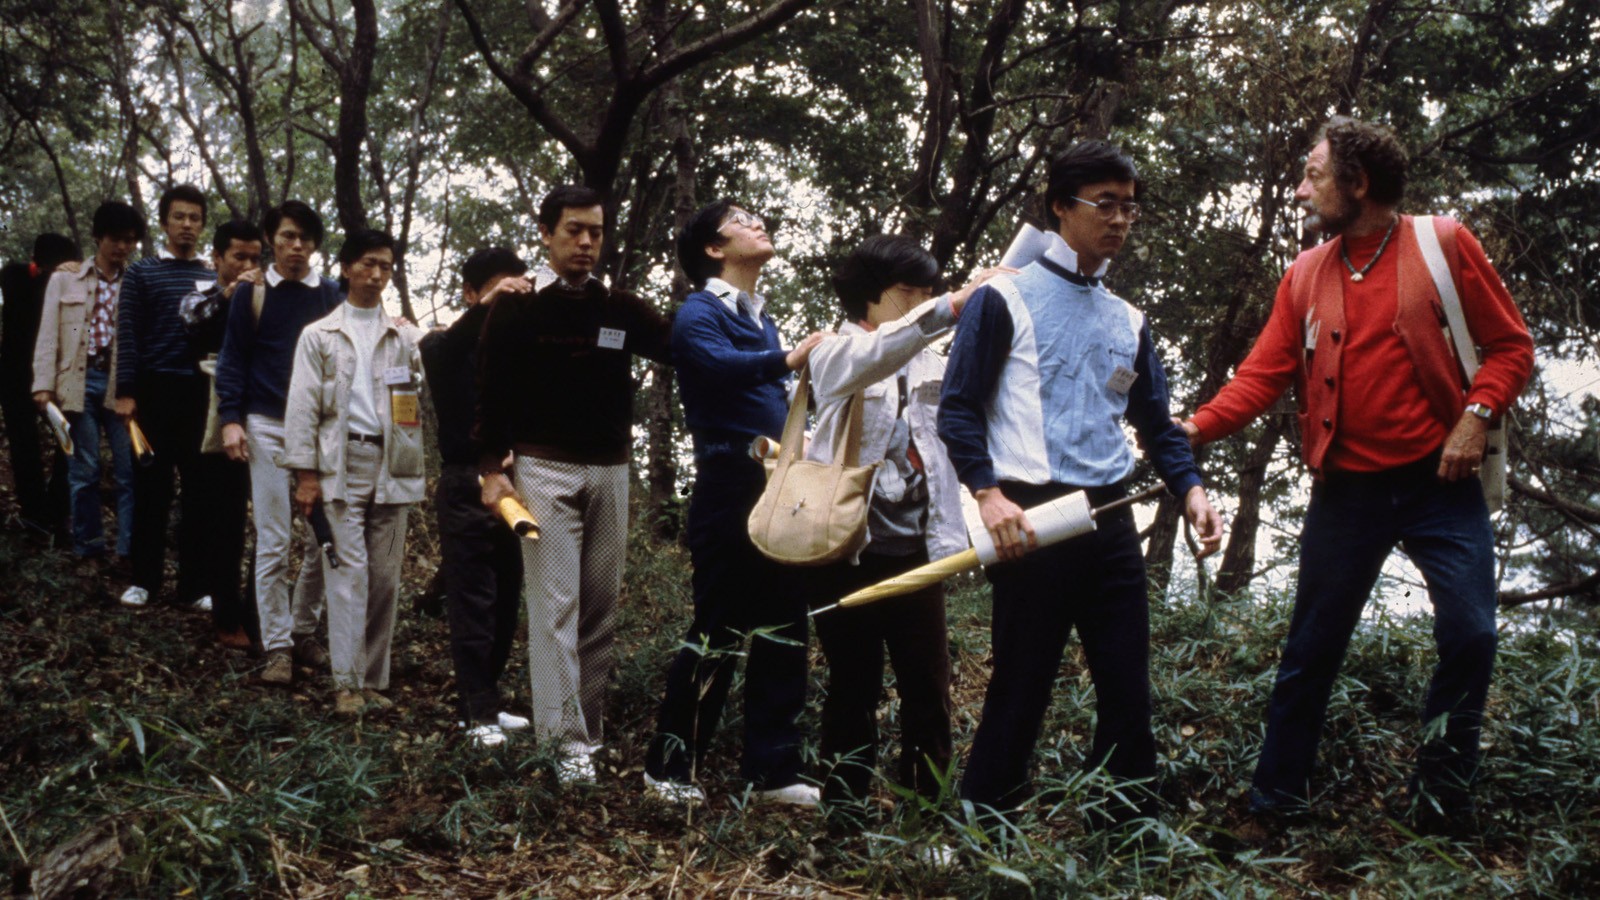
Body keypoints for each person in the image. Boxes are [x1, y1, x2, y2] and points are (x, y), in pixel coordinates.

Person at [1179, 117, 1534, 833]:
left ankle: (1440, 806)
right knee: (1311, 649)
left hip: (1440, 484)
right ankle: (1273, 806)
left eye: (1314, 174)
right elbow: (1262, 376)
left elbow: (1511, 347)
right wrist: (1187, 428)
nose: (1303, 188)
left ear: (1358, 183)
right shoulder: (1307, 274)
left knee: (1473, 637)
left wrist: (1476, 415)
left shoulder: (1443, 244)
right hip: (1348, 490)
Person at [938, 141, 1224, 828]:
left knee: (1127, 680)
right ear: (1061, 208)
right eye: (1105, 204)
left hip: (1111, 516)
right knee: (1022, 678)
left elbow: (1157, 423)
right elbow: (957, 406)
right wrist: (987, 491)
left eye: (1130, 206)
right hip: (1031, 511)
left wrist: (1190, 491)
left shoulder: (1128, 320)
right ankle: (984, 826)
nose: (1121, 219)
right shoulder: (1003, 297)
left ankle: (1127, 830)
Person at [804, 236, 1008, 825]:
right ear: (870, 295)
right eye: (909, 291)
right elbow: (881, 353)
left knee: (928, 688)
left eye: (929, 289)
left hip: (921, 552)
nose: (923, 299)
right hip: (848, 548)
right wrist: (950, 305)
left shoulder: (935, 362)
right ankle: (843, 817)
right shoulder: (835, 351)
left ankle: (925, 815)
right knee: (853, 686)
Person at [477, 187, 673, 779]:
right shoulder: (516, 306)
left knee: (600, 608)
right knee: (555, 605)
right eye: (573, 231)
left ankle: (587, 733)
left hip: (611, 468)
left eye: (595, 232)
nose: (586, 243)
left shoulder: (620, 308)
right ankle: (562, 745)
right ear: (545, 234)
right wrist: (491, 472)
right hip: (543, 468)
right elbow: (487, 389)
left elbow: (681, 348)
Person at [641, 200, 829, 806]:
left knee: (783, 626)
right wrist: (788, 359)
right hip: (728, 487)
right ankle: (669, 769)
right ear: (714, 250)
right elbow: (714, 366)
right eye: (742, 220)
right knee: (718, 626)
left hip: (778, 488)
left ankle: (772, 771)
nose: (759, 223)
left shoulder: (759, 315)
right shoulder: (699, 310)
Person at [282, 229, 424, 716]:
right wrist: (305, 476)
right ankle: (346, 685)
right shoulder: (319, 335)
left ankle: (371, 681)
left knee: (384, 579)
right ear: (345, 268)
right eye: (367, 263)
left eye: (385, 266)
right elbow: (301, 408)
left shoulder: (403, 335)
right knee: (349, 575)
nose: (377, 274)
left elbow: (423, 385)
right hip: (339, 465)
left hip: (394, 463)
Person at [215, 201, 341, 685]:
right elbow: (233, 358)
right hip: (265, 423)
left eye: (305, 239)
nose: (296, 247)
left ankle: (303, 630)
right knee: (272, 540)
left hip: (318, 431)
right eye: (287, 237)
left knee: (319, 538)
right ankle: (277, 646)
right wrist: (231, 418)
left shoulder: (330, 294)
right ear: (272, 239)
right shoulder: (254, 292)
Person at [420, 247, 532, 748]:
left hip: (518, 484)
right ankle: (476, 712)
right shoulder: (444, 344)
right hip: (466, 482)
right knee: (473, 600)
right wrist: (487, 306)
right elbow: (445, 348)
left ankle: (491, 699)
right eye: (495, 290)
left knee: (507, 598)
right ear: (470, 294)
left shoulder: (519, 349)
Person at [112, 185, 224, 612]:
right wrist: (126, 393)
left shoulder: (215, 276)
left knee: (199, 493)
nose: (187, 225)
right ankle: (144, 580)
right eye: (179, 217)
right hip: (154, 391)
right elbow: (128, 335)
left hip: (201, 392)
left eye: (195, 218)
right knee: (150, 490)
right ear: (163, 222)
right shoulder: (142, 273)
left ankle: (194, 586)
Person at [32, 203, 142, 567]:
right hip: (76, 380)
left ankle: (127, 552)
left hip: (122, 385)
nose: (122, 247)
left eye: (129, 241)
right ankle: (89, 549)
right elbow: (50, 333)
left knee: (129, 472)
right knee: (85, 470)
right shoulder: (67, 280)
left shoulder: (136, 282)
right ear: (97, 236)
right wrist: (43, 384)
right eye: (115, 238)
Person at [178, 220, 265, 648]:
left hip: (262, 407)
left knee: (265, 522)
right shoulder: (201, 294)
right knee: (219, 513)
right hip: (211, 411)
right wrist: (233, 293)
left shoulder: (269, 296)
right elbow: (194, 324)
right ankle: (225, 613)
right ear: (217, 259)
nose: (248, 266)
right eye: (238, 258)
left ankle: (254, 613)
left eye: (254, 258)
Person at [3, 233, 78, 539]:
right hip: (15, 379)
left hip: (52, 378)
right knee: (24, 447)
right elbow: (23, 278)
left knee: (67, 441)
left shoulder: (67, 285)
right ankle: (33, 514)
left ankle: (57, 512)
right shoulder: (15, 275)